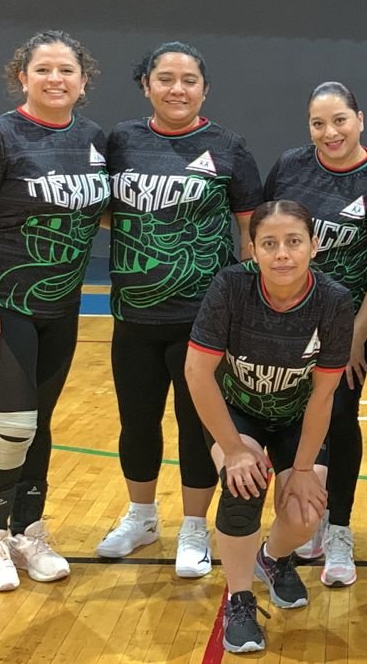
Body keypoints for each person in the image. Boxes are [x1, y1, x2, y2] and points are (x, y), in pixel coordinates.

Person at [0, 30, 110, 592]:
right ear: (23, 76)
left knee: (38, 421)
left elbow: (99, 211)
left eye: (66, 70)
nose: (55, 78)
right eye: (43, 69)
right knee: (14, 420)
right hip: (1, 300)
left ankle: (29, 529)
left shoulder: (92, 139)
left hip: (60, 305)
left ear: (83, 81)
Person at [97, 41, 264, 578]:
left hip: (202, 320)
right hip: (133, 314)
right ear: (146, 85)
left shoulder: (228, 146)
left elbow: (249, 230)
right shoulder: (119, 141)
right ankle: (142, 517)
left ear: (205, 89)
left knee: (198, 427)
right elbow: (99, 210)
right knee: (137, 422)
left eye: (188, 79)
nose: (177, 88)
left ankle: (195, 528)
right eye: (165, 78)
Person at [183, 200, 355, 654]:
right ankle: (239, 600)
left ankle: (273, 558)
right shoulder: (231, 287)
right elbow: (197, 375)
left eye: (293, 242)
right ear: (253, 249)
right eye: (270, 243)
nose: (282, 254)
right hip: (238, 410)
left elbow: (323, 396)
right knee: (245, 485)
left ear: (314, 247)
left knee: (305, 511)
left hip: (297, 414)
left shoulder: (334, 300)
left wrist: (300, 470)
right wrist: (234, 450)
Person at [263, 81, 367, 587]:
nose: (330, 132)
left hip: (348, 326)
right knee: (293, 420)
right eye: (318, 123)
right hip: (287, 320)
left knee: (340, 421)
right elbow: (266, 236)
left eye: (339, 120)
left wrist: (350, 340)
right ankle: (304, 518)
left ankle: (339, 527)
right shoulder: (290, 167)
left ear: (360, 119)